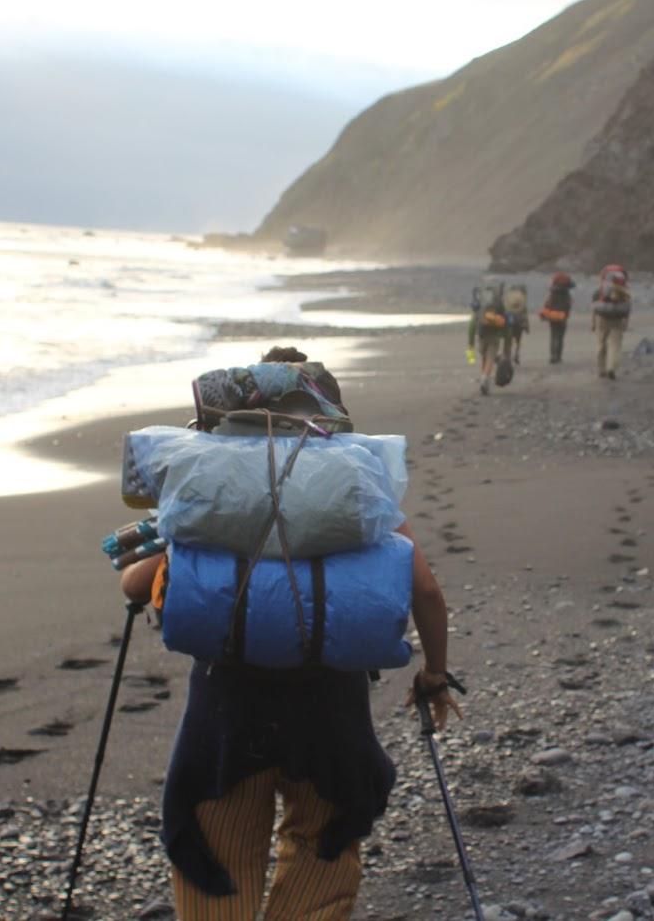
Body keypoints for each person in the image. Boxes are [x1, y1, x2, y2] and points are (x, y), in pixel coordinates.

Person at [118, 348, 461, 920]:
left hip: (229, 703)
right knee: (321, 846)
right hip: (329, 702)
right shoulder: (348, 480)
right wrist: (433, 675)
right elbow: (424, 589)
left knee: (218, 847)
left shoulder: (213, 484)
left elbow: (135, 585)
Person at [467, 284, 510, 395]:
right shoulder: (499, 306)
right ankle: (485, 378)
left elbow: (472, 325)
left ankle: (484, 378)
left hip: (481, 336)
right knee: (490, 358)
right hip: (494, 336)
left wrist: (470, 344)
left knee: (485, 357)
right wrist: (506, 348)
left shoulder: (480, 308)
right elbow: (506, 326)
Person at [591, 266, 632, 380]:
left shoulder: (599, 291)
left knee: (601, 346)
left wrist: (593, 323)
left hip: (602, 320)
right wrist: (626, 322)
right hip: (617, 321)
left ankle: (601, 370)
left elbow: (594, 309)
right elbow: (628, 308)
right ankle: (611, 368)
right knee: (615, 346)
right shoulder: (623, 291)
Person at [539, 272, 574, 363]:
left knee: (553, 335)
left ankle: (552, 355)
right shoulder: (566, 293)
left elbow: (547, 304)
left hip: (553, 316)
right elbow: (568, 305)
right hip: (562, 316)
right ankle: (558, 355)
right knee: (560, 336)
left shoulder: (552, 292)